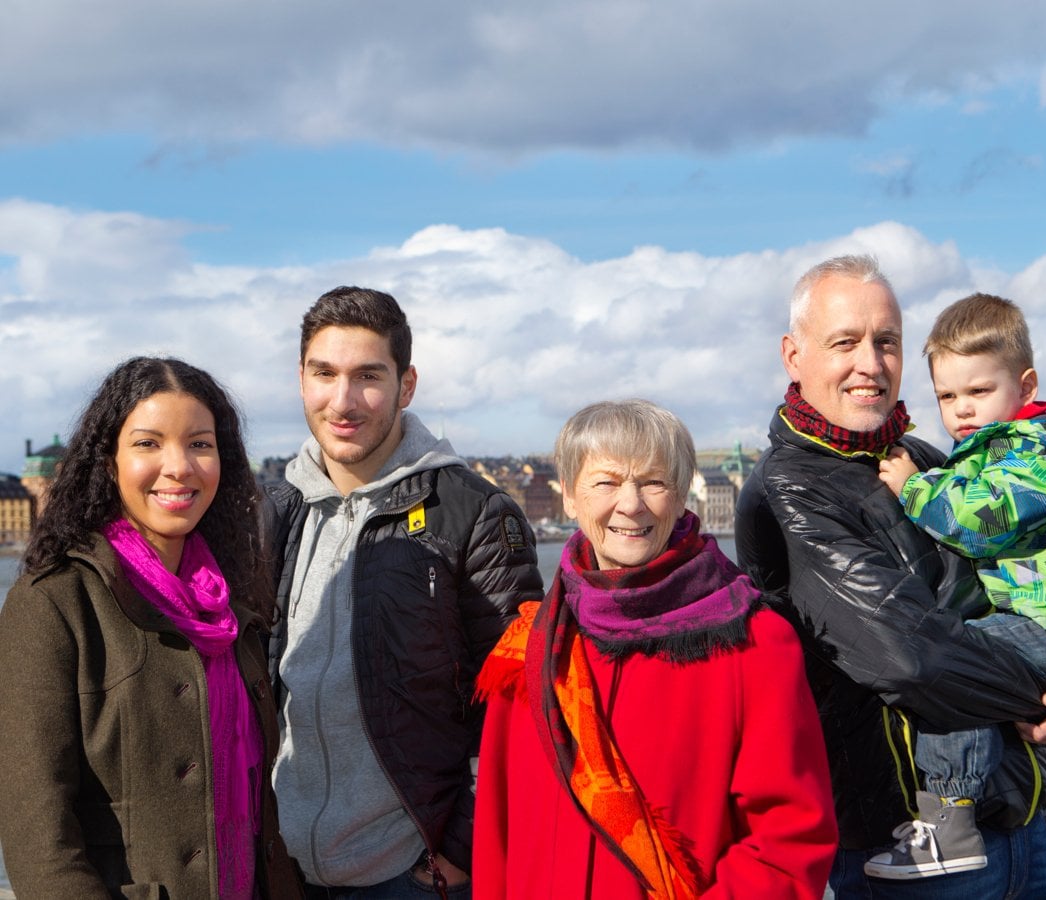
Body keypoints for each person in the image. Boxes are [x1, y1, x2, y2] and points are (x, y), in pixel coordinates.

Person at [734, 255, 1046, 899]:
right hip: (904, 848)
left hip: (1024, 830)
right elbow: (913, 664)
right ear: (793, 355)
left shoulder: (932, 462)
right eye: (845, 342)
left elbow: (1033, 593)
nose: (871, 363)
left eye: (887, 342)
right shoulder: (790, 487)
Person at [473, 399, 838, 898]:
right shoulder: (530, 647)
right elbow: (497, 831)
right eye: (606, 482)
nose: (631, 503)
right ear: (570, 499)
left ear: (681, 494)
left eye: (654, 481)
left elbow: (788, 841)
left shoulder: (756, 642)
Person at [264, 286, 543, 899]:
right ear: (301, 380)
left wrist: (461, 850)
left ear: (406, 385)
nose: (343, 401)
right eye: (325, 374)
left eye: (368, 376)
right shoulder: (272, 513)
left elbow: (524, 704)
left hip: (412, 872)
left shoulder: (472, 513)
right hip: (283, 871)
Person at [0, 357, 302, 899]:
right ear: (107, 460)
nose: (179, 466)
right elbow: (38, 838)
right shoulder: (54, 603)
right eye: (147, 443)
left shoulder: (235, 603)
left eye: (200, 444)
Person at [867, 292, 1046, 879]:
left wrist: (915, 487)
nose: (960, 409)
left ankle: (950, 817)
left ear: (1026, 384)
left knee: (953, 665)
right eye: (946, 396)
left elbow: (976, 521)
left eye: (978, 391)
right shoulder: (1010, 449)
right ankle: (1043, 807)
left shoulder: (1031, 456)